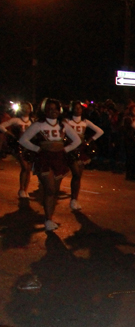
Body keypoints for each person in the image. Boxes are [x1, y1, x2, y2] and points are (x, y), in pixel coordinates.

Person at [18, 99, 81, 231]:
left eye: (56, 109)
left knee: (55, 191)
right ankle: (48, 219)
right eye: (50, 109)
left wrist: (65, 150)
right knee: (50, 189)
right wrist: (38, 149)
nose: (53, 112)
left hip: (59, 159)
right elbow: (23, 140)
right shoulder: (38, 125)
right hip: (43, 159)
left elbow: (77, 140)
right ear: (45, 111)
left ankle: (49, 218)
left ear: (60, 111)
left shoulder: (63, 125)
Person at [63, 102, 105, 211]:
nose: (78, 110)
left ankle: (74, 199)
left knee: (77, 175)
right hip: (70, 148)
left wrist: (90, 140)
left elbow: (100, 131)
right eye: (75, 108)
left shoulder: (85, 122)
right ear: (71, 109)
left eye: (79, 108)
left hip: (81, 149)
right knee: (74, 173)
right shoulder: (67, 121)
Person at [1, 102, 37, 198]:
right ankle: (21, 189)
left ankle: (25, 190)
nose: (26, 110)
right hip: (19, 146)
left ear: (31, 109)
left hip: (30, 147)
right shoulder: (15, 120)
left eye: (28, 108)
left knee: (28, 169)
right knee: (24, 167)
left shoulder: (33, 121)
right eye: (23, 108)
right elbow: (2, 126)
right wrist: (9, 134)